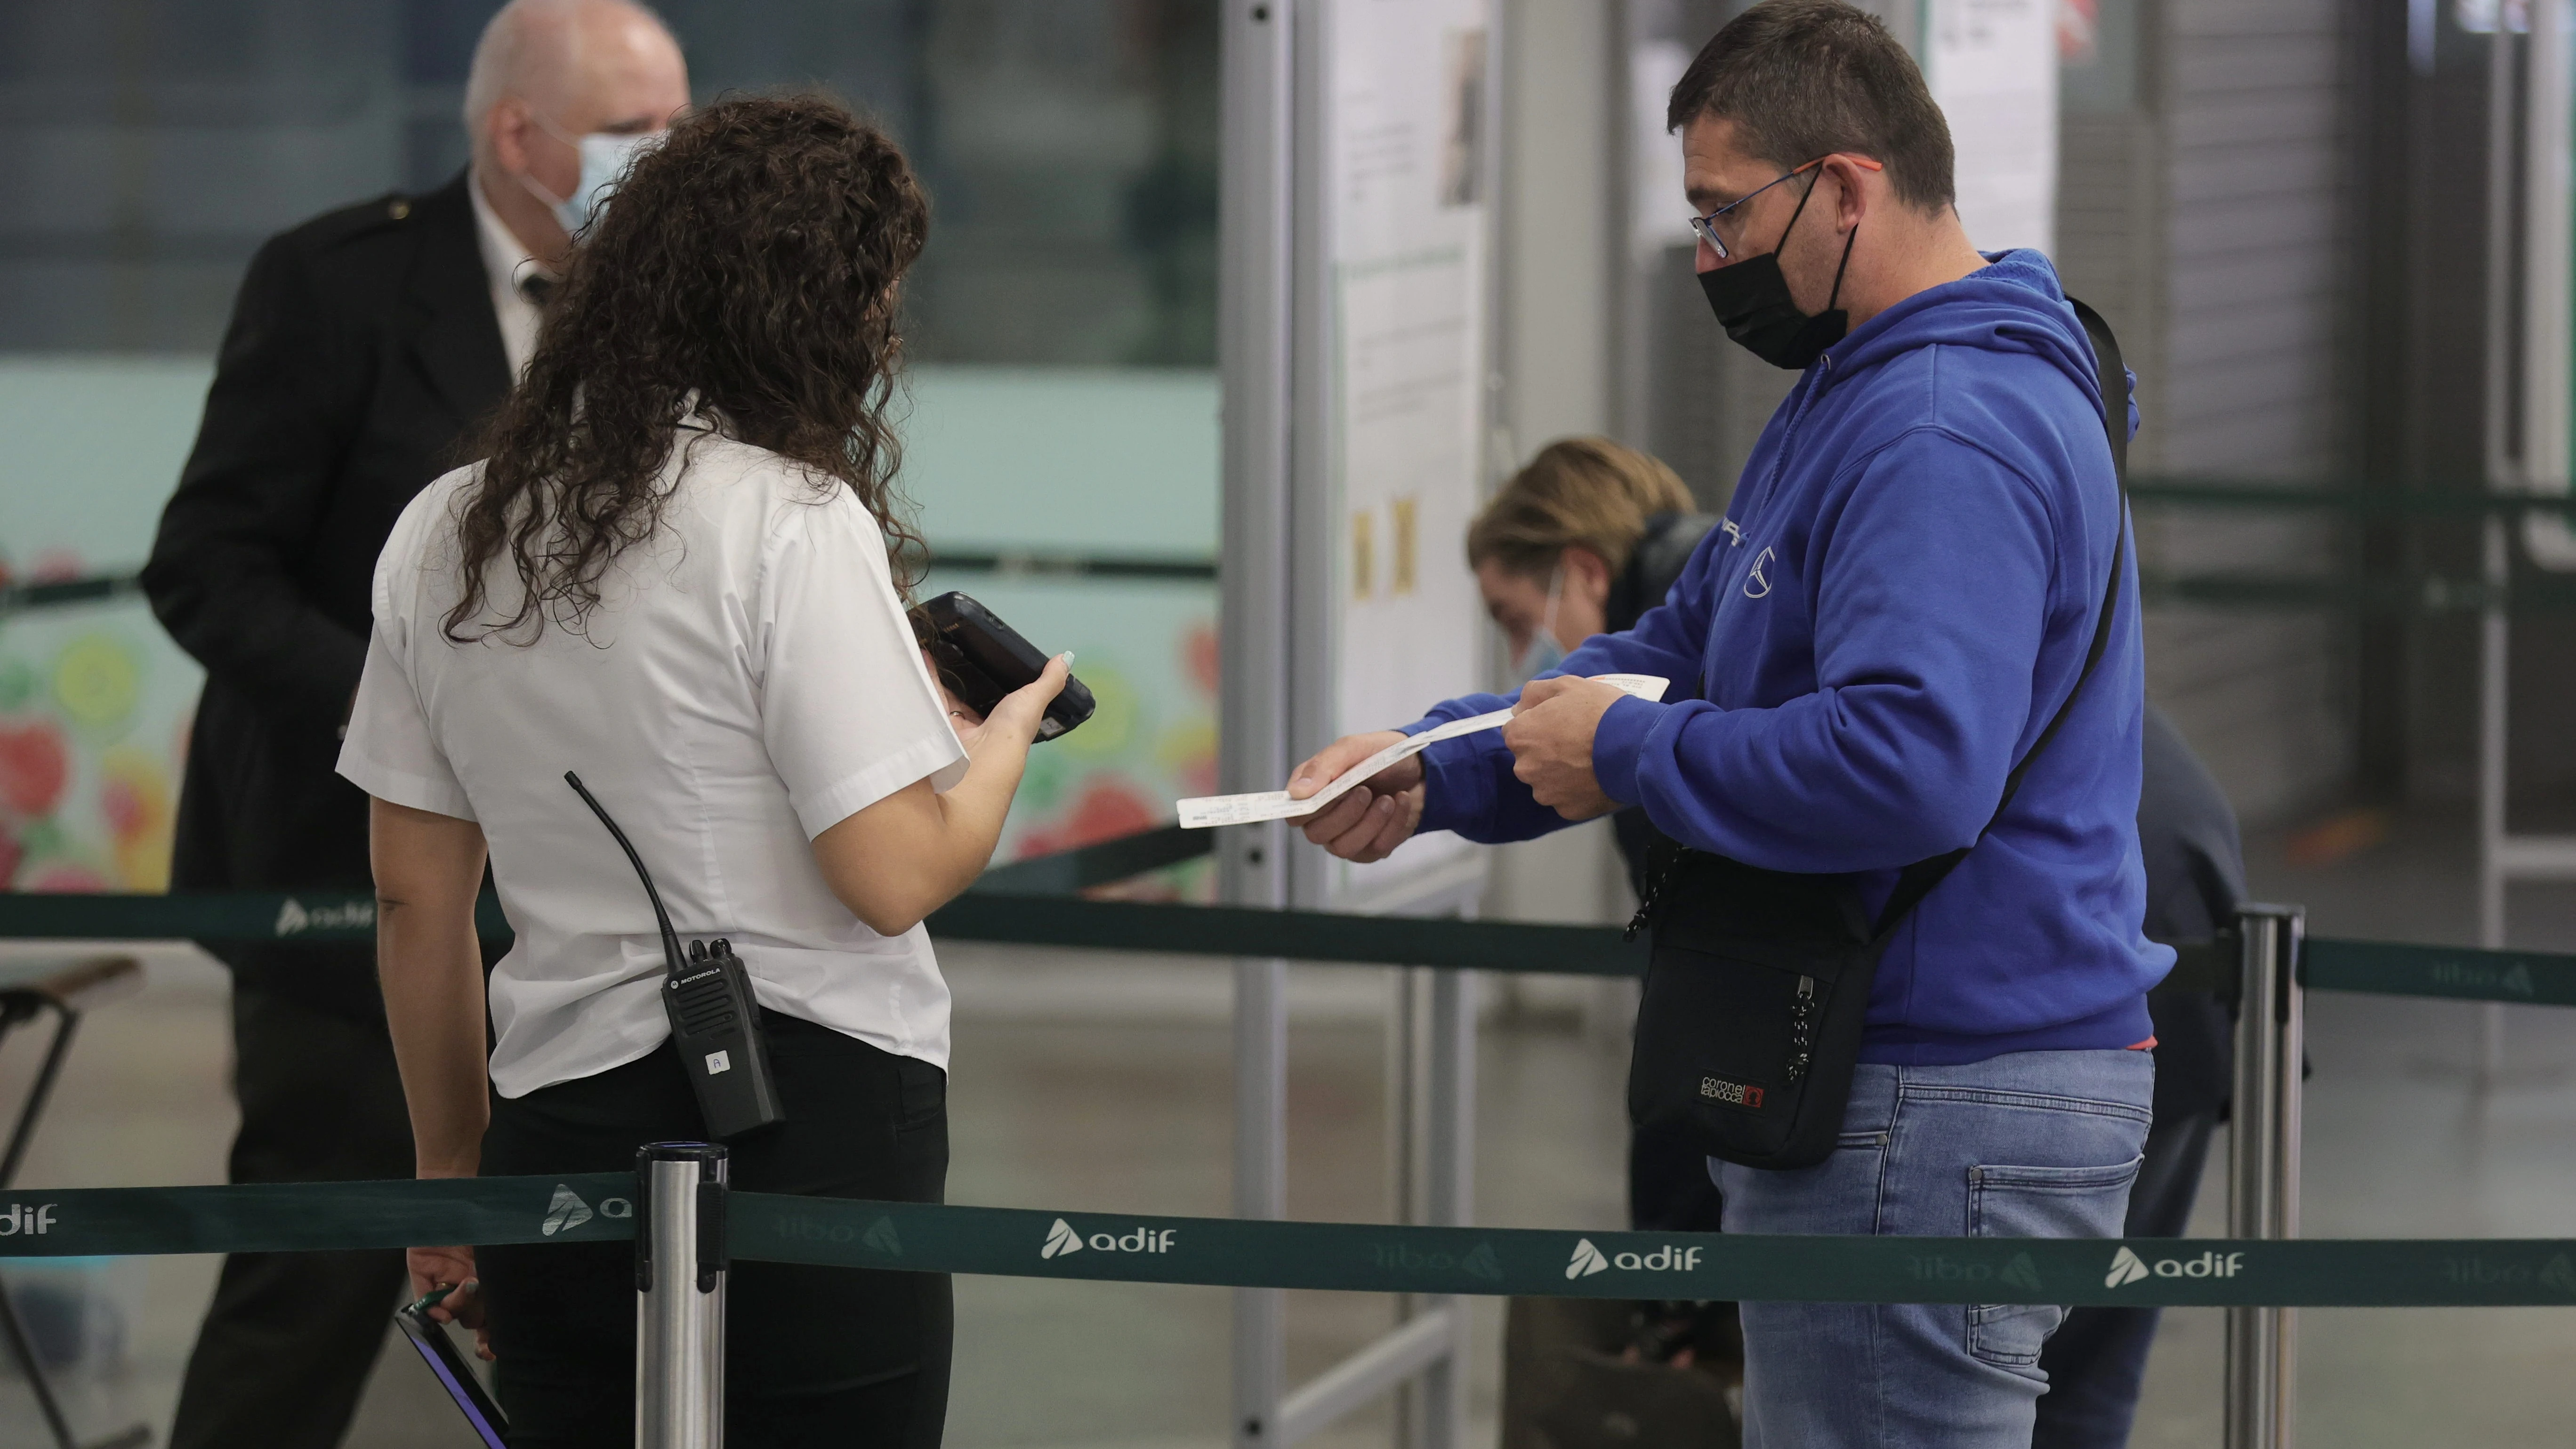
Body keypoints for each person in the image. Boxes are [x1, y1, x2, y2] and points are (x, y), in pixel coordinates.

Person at [1290, 3, 2166, 1443]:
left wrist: (1627, 755)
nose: (1707, 259)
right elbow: (1679, 646)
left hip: (1934, 1090)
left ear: (1846, 188)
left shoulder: (1937, 426)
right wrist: (1432, 760)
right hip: (1917, 1080)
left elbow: (1911, 763)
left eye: (1722, 215)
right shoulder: (1855, 387)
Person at [338, 94, 1056, 1449]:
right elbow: (893, 873)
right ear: (803, 311)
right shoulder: (788, 519)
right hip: (817, 1121)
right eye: (873, 299)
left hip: (557, 1129)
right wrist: (997, 744)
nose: (884, 335)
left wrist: (453, 1173)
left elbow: (416, 898)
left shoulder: (444, 530)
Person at [139, 3, 686, 1444]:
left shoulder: (681, 307)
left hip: (602, 913)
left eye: (680, 124)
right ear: (520, 135)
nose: (669, 156)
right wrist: (421, 728)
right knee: (309, 1290)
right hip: (348, 885)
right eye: (637, 129)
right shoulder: (338, 284)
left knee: (602, 1298)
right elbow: (206, 568)